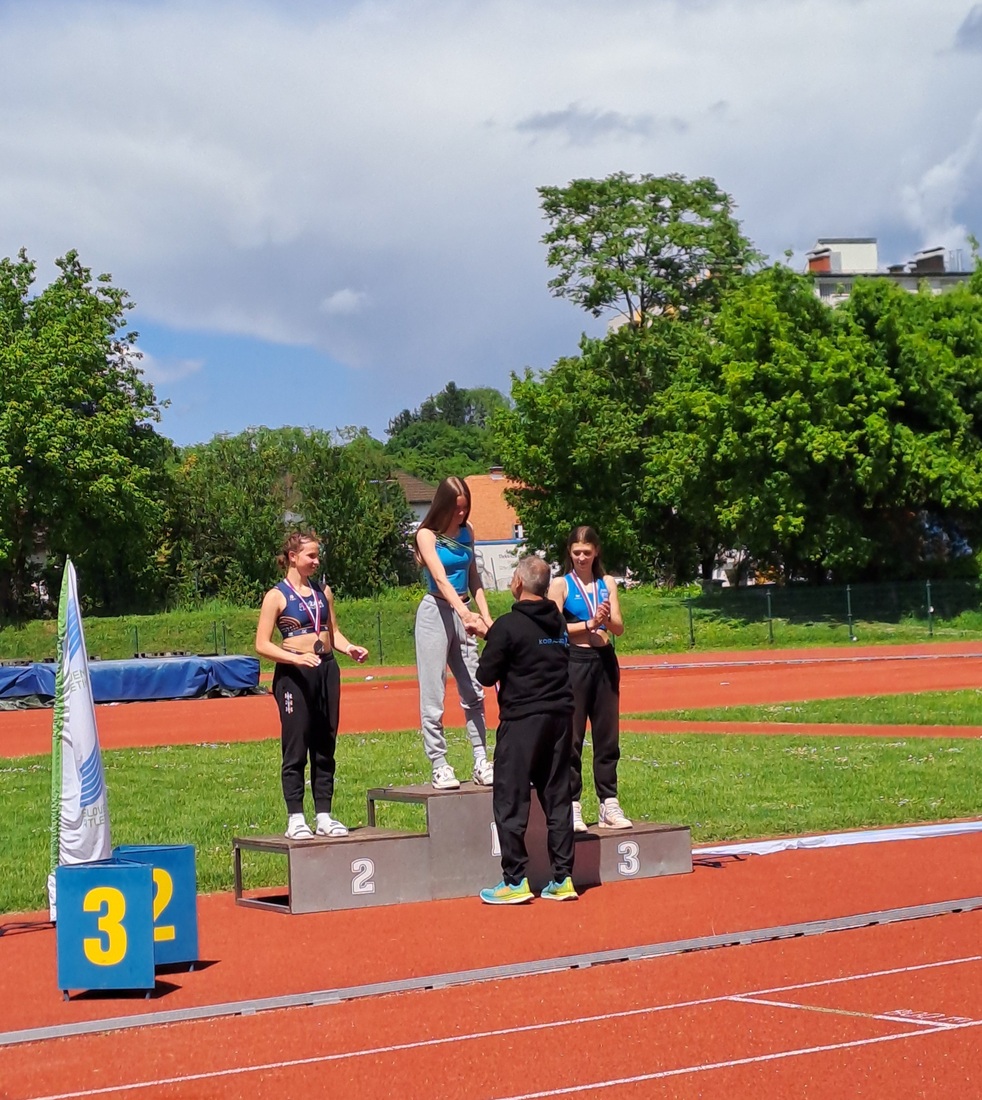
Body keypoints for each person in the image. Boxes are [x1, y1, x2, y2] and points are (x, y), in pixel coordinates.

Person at [476, 555, 577, 904]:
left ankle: (515, 880)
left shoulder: (508, 625)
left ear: (518, 583)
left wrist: (490, 638)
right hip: (560, 718)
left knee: (510, 797)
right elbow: (532, 647)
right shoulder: (558, 623)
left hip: (522, 721)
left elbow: (486, 674)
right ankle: (563, 878)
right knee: (558, 797)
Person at [255, 530, 368, 840]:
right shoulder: (276, 596)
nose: (317, 561)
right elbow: (262, 644)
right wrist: (295, 658)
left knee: (325, 744)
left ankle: (324, 816)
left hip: (326, 669)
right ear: (293, 557)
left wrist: (349, 648)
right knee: (296, 746)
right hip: (294, 675)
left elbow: (334, 632)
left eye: (318, 556)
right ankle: (295, 818)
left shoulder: (323, 592)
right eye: (311, 556)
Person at [548, 525, 631, 831]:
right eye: (576, 552)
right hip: (574, 661)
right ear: (569, 553)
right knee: (572, 736)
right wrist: (588, 624)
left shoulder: (606, 583)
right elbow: (553, 628)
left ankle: (609, 801)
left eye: (586, 552)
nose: (581, 558)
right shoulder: (561, 585)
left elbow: (618, 627)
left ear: (596, 552)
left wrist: (605, 619)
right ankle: (571, 803)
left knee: (607, 735)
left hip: (604, 661)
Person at [414, 476, 494, 790]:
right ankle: (439, 763)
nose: (461, 514)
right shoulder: (426, 535)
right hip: (435, 612)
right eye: (456, 508)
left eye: (465, 508)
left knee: (474, 689)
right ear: (443, 505)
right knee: (433, 694)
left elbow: (474, 577)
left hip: (465, 611)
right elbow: (440, 578)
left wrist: (485, 617)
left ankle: (481, 760)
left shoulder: (467, 531)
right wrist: (464, 614)